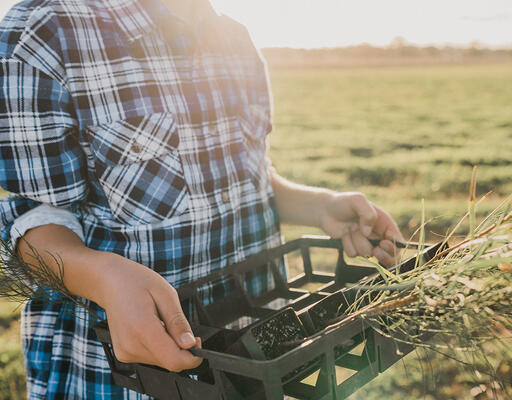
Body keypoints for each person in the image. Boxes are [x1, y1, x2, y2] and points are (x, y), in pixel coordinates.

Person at [0, 0, 402, 398]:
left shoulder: (235, 38)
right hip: (120, 377)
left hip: (255, 357)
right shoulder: (48, 31)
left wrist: (320, 206)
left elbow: (251, 182)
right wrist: (102, 276)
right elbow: (27, 220)